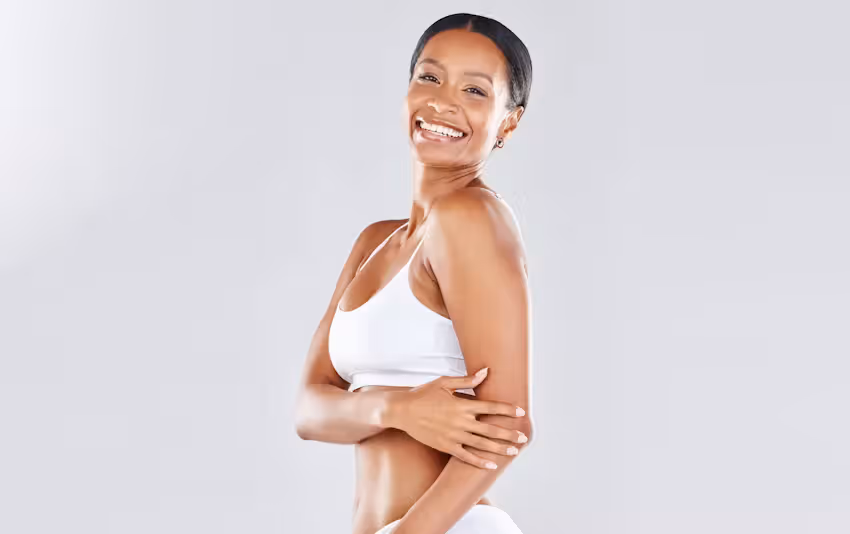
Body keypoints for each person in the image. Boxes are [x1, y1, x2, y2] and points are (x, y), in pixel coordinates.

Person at [295, 13, 534, 534]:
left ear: (508, 123)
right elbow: (309, 412)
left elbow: (509, 424)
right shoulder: (374, 241)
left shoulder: (471, 217)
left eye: (475, 90)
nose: (443, 102)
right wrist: (398, 409)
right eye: (430, 77)